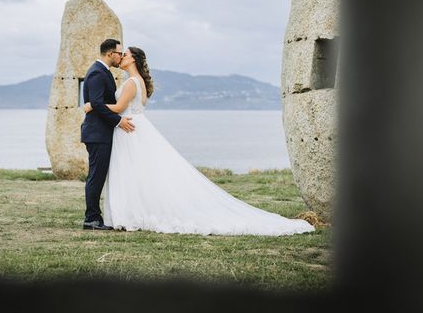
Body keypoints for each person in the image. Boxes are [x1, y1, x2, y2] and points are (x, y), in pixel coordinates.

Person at [84, 46, 315, 236]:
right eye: (120, 54)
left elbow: (120, 108)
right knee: (138, 174)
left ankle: (130, 214)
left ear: (133, 59)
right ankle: (131, 212)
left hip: (129, 129)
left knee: (132, 173)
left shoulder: (132, 82)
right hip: (135, 128)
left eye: (124, 55)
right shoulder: (138, 81)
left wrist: (92, 105)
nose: (121, 57)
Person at [80, 39, 135, 230]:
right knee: (96, 176)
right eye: (119, 53)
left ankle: (94, 217)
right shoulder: (97, 72)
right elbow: (96, 103)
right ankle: (91, 219)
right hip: (97, 134)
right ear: (110, 53)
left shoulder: (104, 72)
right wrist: (119, 121)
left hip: (101, 133)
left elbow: (97, 104)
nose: (121, 56)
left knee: (99, 175)